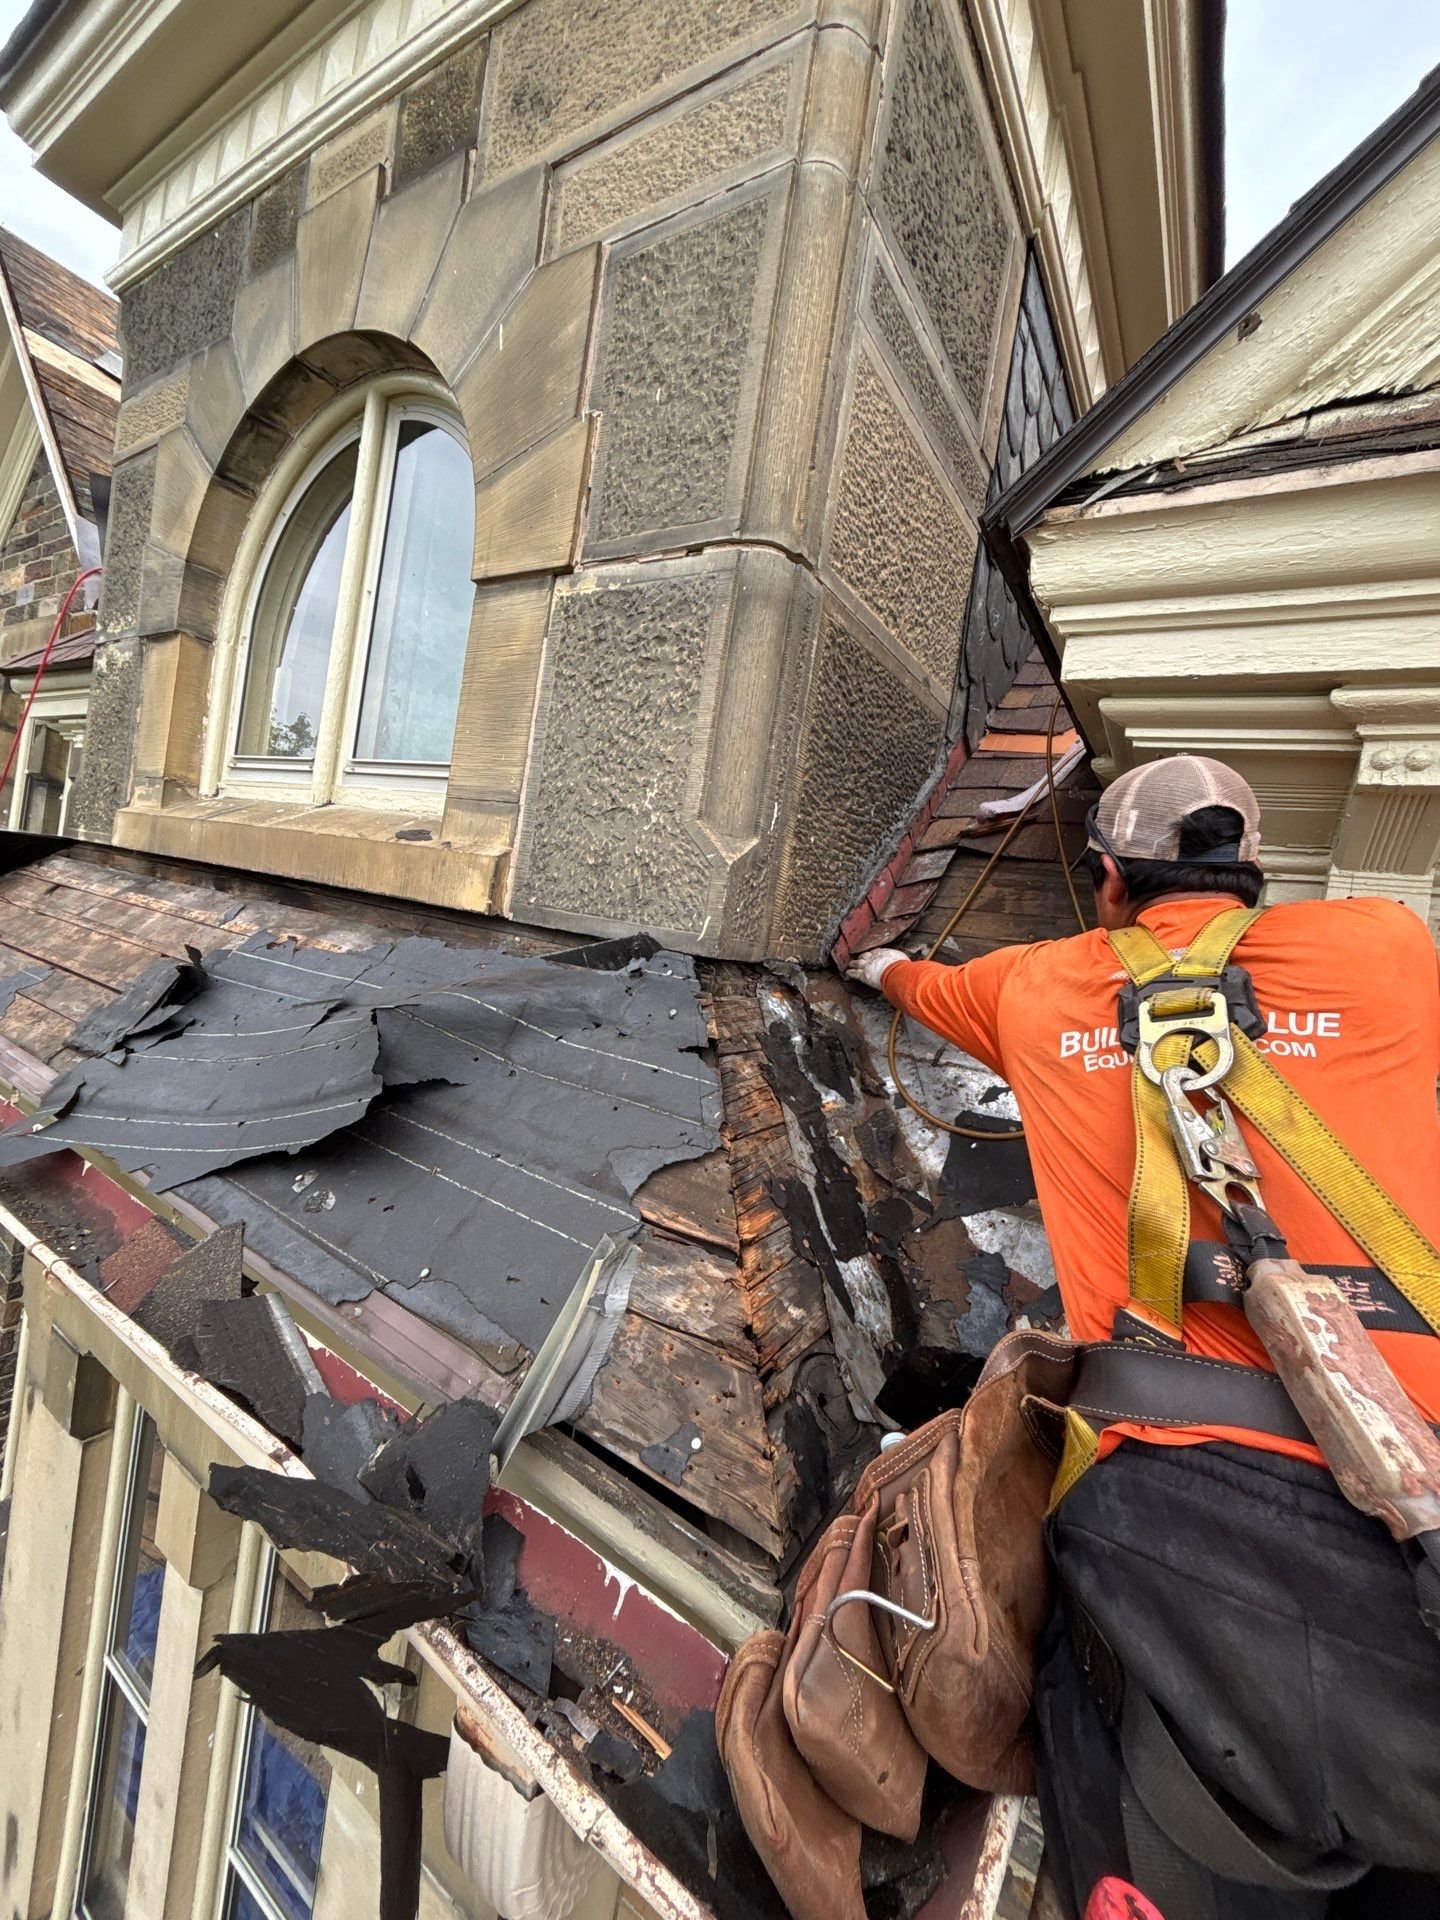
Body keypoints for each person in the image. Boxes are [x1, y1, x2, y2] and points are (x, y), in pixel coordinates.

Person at [847, 755, 1440, 1919]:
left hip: (1172, 1532)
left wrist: (871, 961)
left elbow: (917, 984)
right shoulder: (1389, 947)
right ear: (1251, 872)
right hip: (1413, 1514)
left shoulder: (1031, 989)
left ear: (1109, 881)